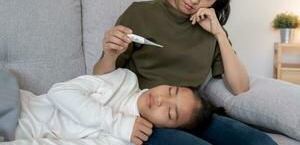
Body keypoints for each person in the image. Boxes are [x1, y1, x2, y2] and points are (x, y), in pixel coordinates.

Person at [93, 0, 278, 145]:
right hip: (148, 116)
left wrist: (219, 34)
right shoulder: (141, 13)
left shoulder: (211, 29)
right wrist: (109, 54)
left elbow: (240, 87)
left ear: (217, 0)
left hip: (192, 117)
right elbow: (98, 80)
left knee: (261, 142)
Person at [0, 60, 215, 145]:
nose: (160, 100)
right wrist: (115, 122)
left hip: (17, 132)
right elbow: (60, 92)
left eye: (170, 113)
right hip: (16, 101)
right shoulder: (124, 79)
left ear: (168, 129)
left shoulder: (125, 141)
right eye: (171, 90)